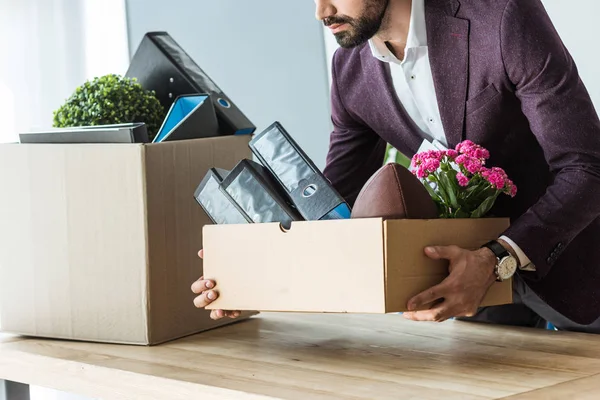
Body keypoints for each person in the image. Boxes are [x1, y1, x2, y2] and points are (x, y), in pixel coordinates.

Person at [192, 0, 600, 333]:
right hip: (477, 302)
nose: (322, 11)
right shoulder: (350, 70)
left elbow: (587, 167)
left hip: (581, 267)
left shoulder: (503, 17)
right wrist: (255, 277)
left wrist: (496, 259)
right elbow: (335, 208)